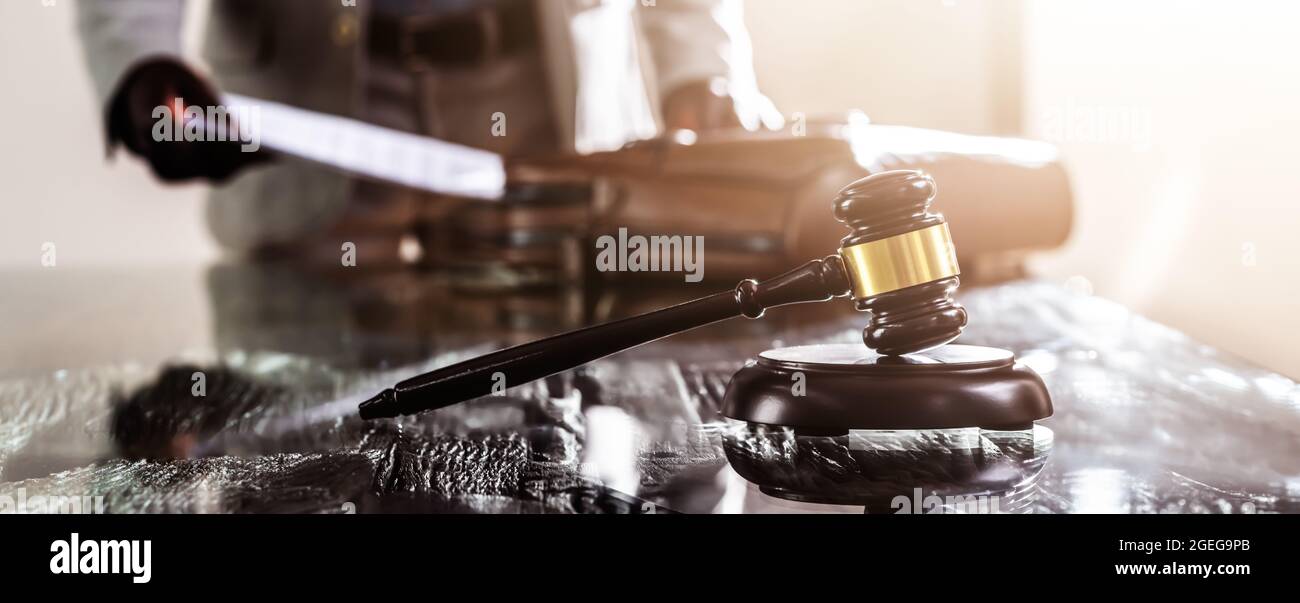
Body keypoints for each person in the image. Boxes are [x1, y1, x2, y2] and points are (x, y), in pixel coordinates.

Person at [77, 0, 782, 263]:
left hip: (551, 109)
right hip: (312, 123)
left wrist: (697, 67)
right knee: (296, 448)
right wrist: (144, 64)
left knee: (569, 423)